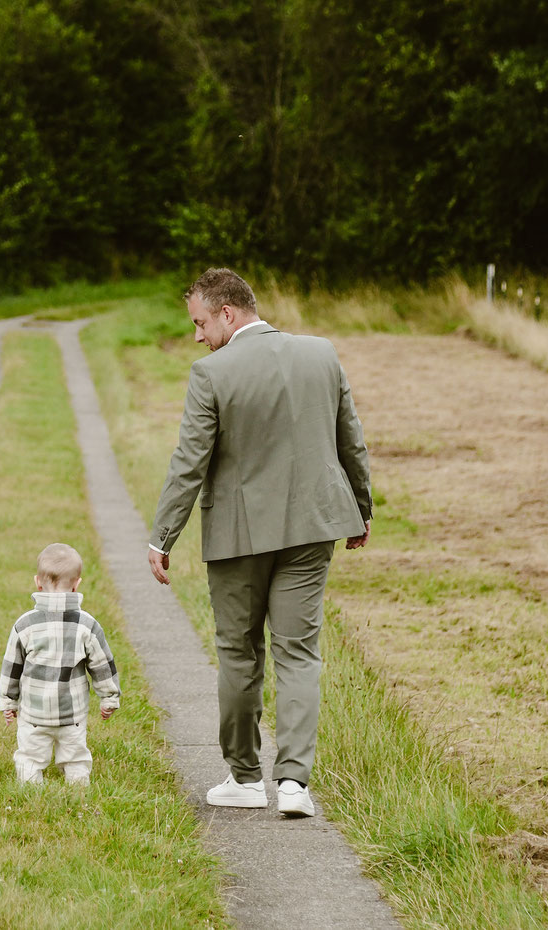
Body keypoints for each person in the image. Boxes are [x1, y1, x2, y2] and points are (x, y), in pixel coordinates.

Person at [146, 267, 372, 819]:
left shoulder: (211, 373)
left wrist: (163, 536)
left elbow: (189, 463)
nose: (197, 336)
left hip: (239, 535)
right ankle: (294, 784)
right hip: (313, 526)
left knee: (238, 653)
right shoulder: (321, 354)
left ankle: (246, 779)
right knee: (299, 652)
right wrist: (360, 510)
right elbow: (351, 440)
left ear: (227, 313)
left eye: (200, 323)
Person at [0, 542, 120, 786]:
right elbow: (102, 665)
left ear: (37, 583)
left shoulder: (25, 625)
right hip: (72, 714)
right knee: (75, 759)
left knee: (30, 758)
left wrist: (8, 701)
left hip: (34, 714)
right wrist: (109, 698)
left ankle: (31, 792)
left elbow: (12, 666)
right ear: (77, 584)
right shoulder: (87, 625)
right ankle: (78, 791)